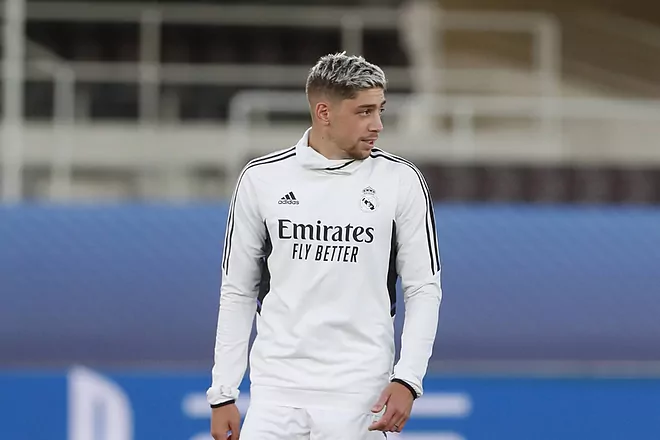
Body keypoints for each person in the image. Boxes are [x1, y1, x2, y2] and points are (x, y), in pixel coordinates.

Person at [207, 52, 443, 440]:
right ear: (324, 112)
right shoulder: (261, 179)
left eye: (380, 110)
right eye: (364, 112)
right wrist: (223, 392)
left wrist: (408, 378)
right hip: (275, 395)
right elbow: (237, 290)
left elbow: (423, 288)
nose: (378, 125)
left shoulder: (400, 182)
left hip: (361, 396)